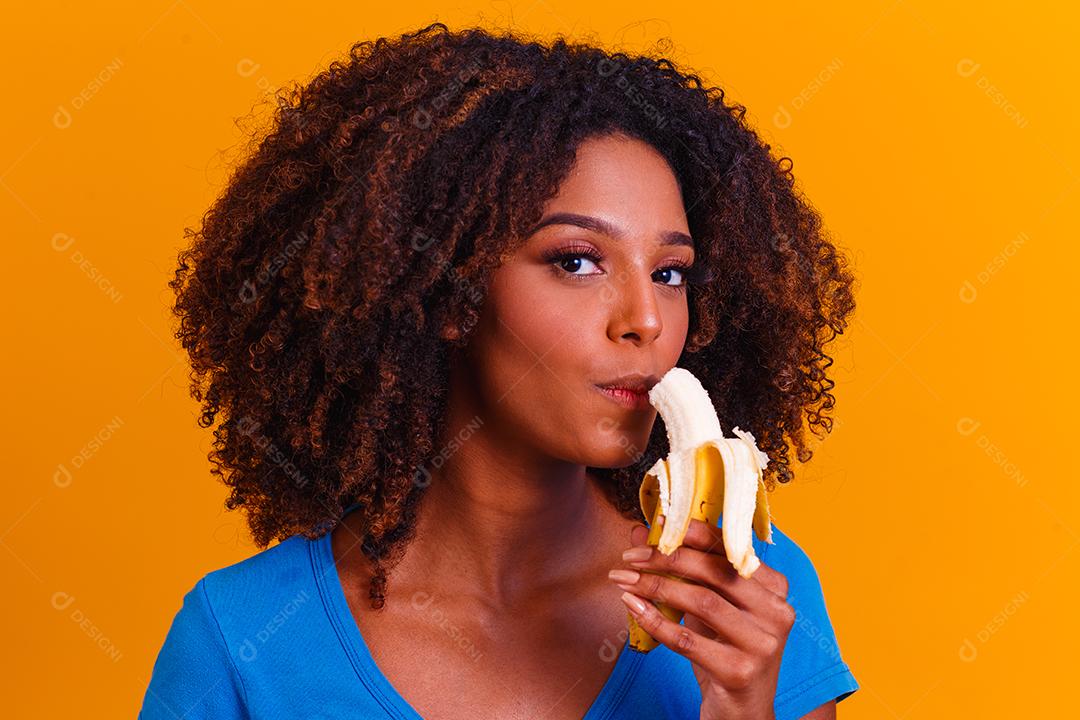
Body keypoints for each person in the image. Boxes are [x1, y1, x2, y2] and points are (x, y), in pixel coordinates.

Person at [139, 21, 860, 720]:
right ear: (447, 290)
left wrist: (743, 712)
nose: (646, 319)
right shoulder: (242, 641)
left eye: (670, 273)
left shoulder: (746, 597)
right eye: (576, 262)